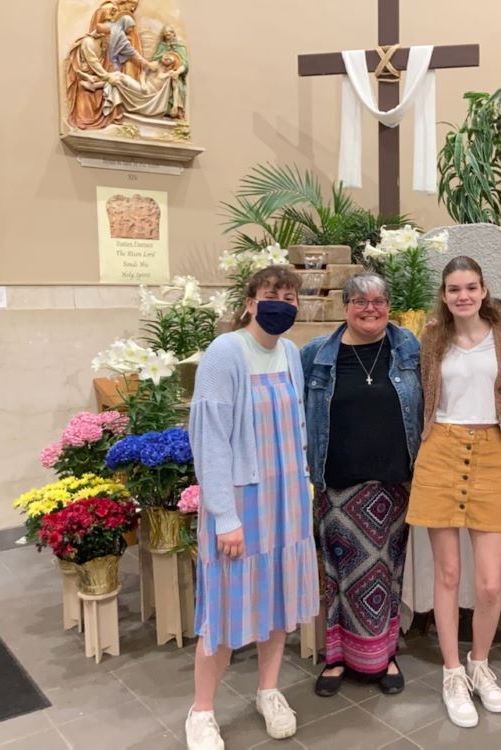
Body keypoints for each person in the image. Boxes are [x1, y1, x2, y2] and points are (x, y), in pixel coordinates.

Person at [186, 266, 318, 750]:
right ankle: (201, 712)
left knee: (278, 602)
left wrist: (303, 486)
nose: (281, 301)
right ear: (249, 302)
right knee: (223, 608)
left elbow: (297, 425)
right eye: (270, 294)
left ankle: (268, 690)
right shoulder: (226, 353)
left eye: (289, 295)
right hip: (241, 502)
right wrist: (225, 516)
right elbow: (210, 440)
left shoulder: (289, 354)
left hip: (285, 497)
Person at [406, 256, 501, 728]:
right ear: (445, 293)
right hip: (442, 449)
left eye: (471, 287)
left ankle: (479, 662)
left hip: (492, 450)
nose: (463, 296)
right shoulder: (432, 337)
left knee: (492, 582)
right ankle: (452, 672)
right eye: (454, 289)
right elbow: (421, 395)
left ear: (483, 289)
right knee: (449, 573)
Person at [300, 273, 422, 698]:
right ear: (344, 306)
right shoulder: (316, 355)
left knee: (387, 572)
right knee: (338, 575)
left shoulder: (409, 348)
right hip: (337, 488)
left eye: (378, 300)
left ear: (389, 305)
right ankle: (336, 658)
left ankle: (384, 654)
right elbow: (298, 415)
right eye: (359, 301)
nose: (370, 308)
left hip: (394, 487)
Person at [65, 2, 119, 130]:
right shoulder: (88, 42)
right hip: (88, 76)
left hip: (98, 77)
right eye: (106, 22)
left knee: (117, 80)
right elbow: (93, 62)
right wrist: (107, 76)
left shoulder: (103, 42)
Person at [151, 25, 189, 118]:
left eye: (169, 34)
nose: (168, 36)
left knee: (177, 85)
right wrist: (162, 59)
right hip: (163, 71)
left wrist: (177, 72)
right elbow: (156, 59)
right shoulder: (162, 46)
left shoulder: (180, 46)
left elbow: (185, 64)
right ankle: (159, 110)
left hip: (176, 72)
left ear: (173, 34)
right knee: (156, 83)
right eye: (166, 35)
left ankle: (176, 110)